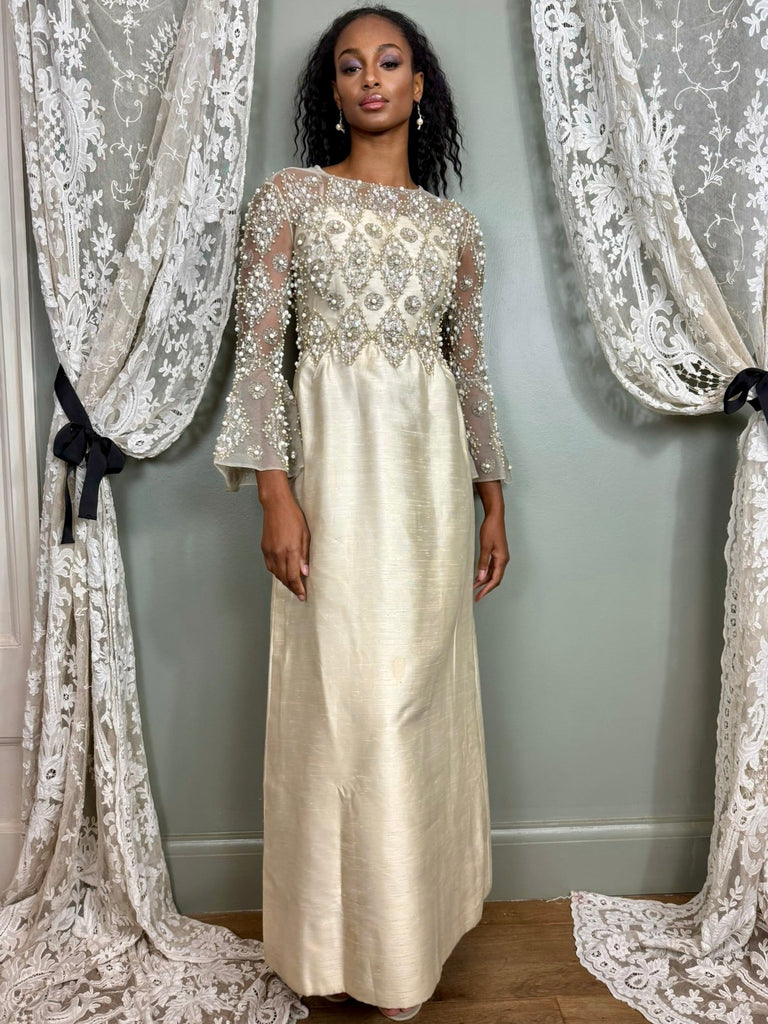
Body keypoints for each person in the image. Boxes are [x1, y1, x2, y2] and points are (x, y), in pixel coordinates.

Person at [214, 5, 511, 1020]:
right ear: (331, 90)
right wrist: (275, 493)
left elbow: (471, 373)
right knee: (343, 717)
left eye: (389, 62)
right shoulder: (289, 198)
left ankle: (405, 952)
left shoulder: (455, 230)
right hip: (335, 485)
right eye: (350, 66)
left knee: (414, 712)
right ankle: (336, 946)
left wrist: (493, 501)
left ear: (420, 86)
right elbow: (260, 358)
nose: (371, 78)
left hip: (430, 494)